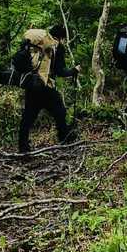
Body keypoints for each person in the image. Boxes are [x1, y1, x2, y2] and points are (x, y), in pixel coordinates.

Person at [17, 23, 80, 155]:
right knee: (60, 111)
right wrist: (73, 70)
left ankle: (23, 146)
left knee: (28, 117)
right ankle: (64, 138)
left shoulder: (37, 44)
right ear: (61, 37)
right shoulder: (56, 47)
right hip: (45, 86)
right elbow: (60, 71)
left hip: (32, 84)